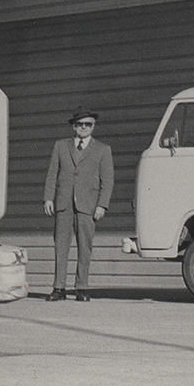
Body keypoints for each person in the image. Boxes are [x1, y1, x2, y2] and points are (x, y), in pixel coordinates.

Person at [42, 106, 114, 301]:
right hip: (63, 204)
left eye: (88, 124)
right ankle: (59, 288)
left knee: (85, 248)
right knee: (61, 247)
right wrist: (49, 197)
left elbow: (107, 181)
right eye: (80, 124)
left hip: (88, 207)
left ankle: (81, 288)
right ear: (73, 126)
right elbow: (52, 174)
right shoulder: (60, 146)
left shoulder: (102, 149)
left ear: (93, 126)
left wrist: (101, 205)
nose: (84, 127)